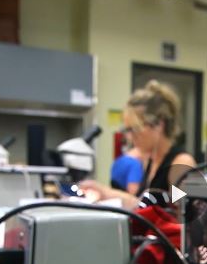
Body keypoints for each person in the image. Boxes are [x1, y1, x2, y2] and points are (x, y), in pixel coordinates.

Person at [82, 80, 196, 209]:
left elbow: (180, 215)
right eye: (127, 130)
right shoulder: (149, 161)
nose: (130, 137)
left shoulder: (181, 164)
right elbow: (142, 204)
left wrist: (107, 192)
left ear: (158, 125)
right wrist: (104, 193)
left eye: (135, 130)